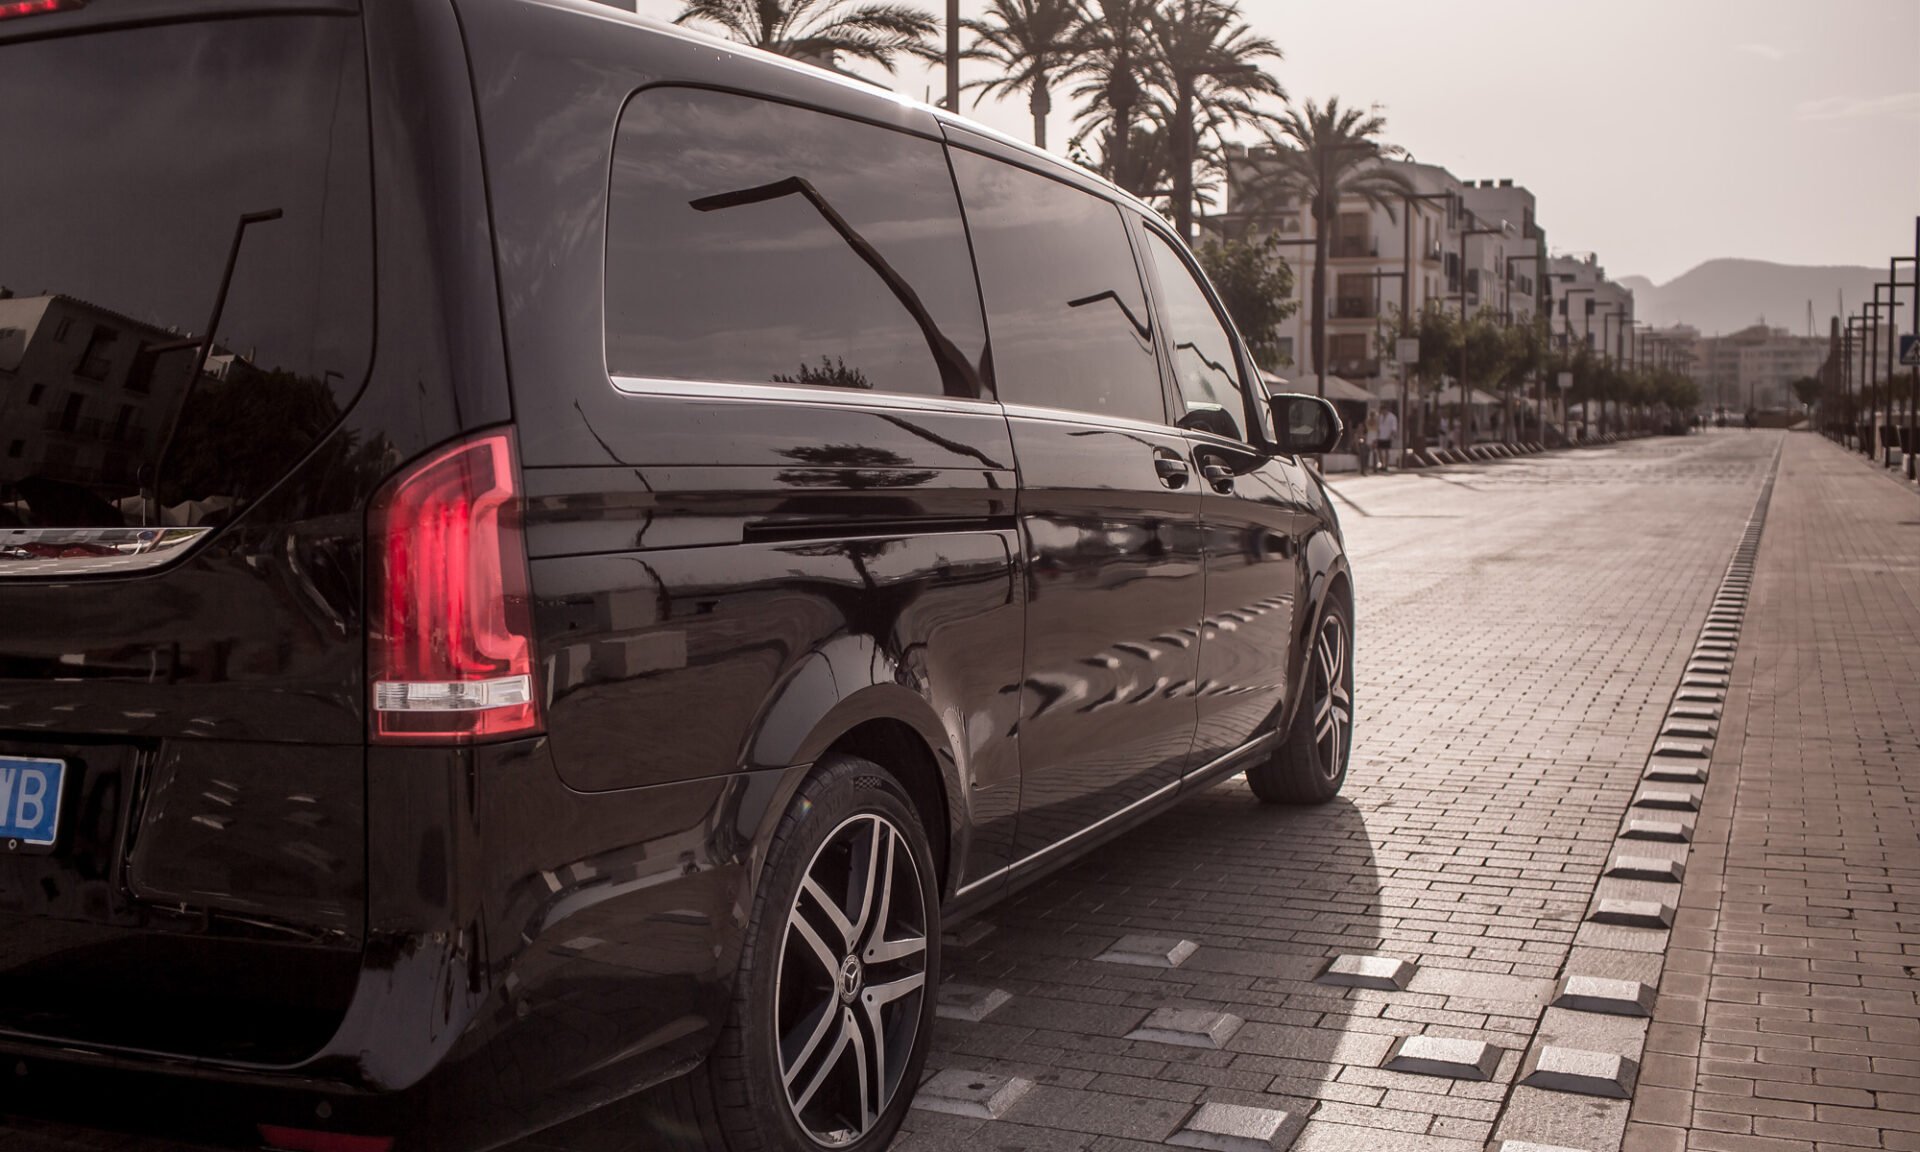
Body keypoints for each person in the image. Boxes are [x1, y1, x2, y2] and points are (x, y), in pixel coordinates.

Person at [1376, 405, 1398, 472]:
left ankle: (1386, 465)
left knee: (1386, 451)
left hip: (1387, 436)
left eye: (1383, 410)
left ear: (1386, 410)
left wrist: (1391, 436)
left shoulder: (1392, 417)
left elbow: (1394, 428)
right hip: (1380, 436)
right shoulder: (1380, 417)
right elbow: (1378, 426)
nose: (1382, 412)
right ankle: (1382, 464)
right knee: (1379, 450)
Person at [1357, 410, 1378, 475]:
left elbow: (1377, 431)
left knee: (1373, 453)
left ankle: (1373, 468)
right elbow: (1363, 431)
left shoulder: (1376, 422)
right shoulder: (1367, 422)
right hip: (1367, 438)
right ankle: (1364, 469)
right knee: (1365, 455)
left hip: (1372, 438)